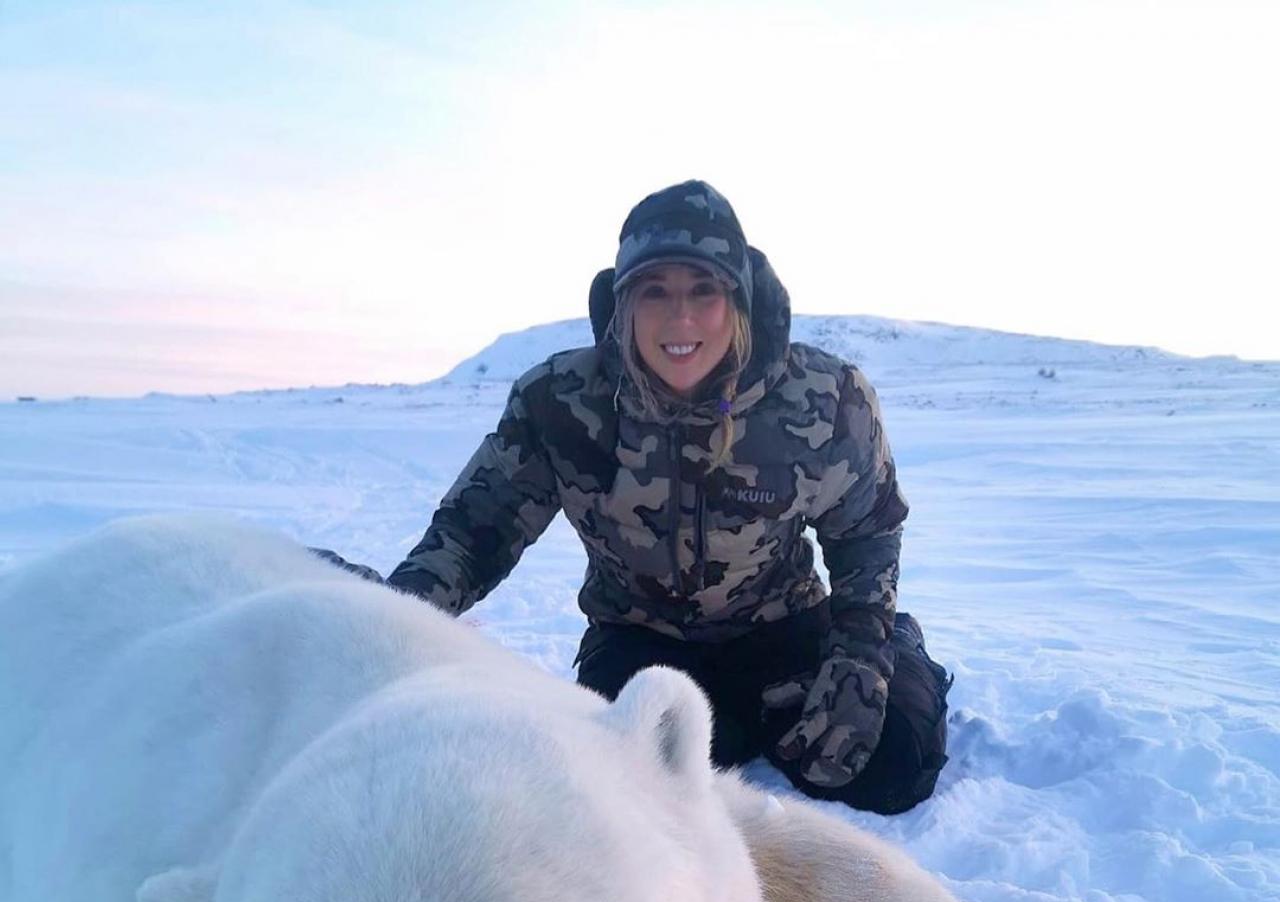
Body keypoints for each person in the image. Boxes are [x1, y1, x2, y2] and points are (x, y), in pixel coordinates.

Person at [338, 179, 951, 813]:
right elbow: (474, 532)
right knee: (637, 790)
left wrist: (862, 658)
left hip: (781, 627)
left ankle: (903, 648)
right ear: (623, 301)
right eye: (655, 291)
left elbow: (867, 532)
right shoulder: (559, 401)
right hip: (638, 639)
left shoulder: (828, 397)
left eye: (703, 291)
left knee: (885, 766)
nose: (680, 318)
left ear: (737, 300)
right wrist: (390, 619)